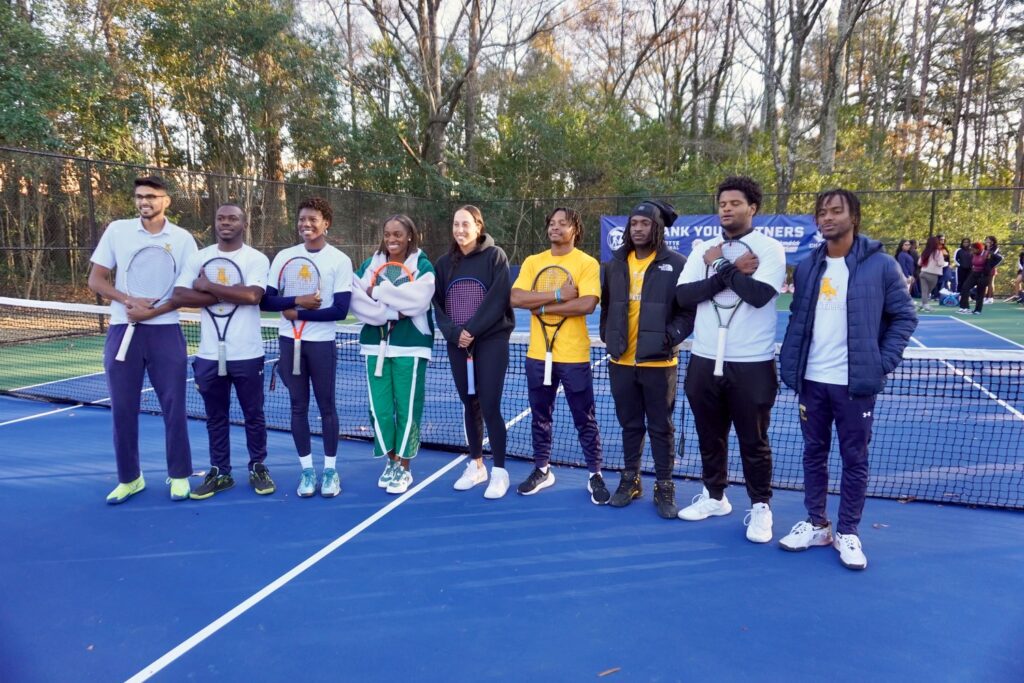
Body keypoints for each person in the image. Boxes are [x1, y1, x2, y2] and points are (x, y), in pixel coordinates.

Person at [779, 188, 917, 570]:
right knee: (813, 454)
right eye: (821, 212)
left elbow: (904, 317)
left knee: (854, 458)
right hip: (813, 381)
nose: (827, 218)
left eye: (835, 211)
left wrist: (880, 362)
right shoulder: (807, 267)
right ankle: (817, 524)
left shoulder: (882, 265)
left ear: (853, 217)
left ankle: (849, 531)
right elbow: (798, 319)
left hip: (855, 385)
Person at [675, 176, 786, 542]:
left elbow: (757, 295)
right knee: (710, 435)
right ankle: (714, 496)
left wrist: (721, 267)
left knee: (753, 441)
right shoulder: (704, 248)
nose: (727, 208)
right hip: (704, 360)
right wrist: (730, 269)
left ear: (752, 208)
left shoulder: (769, 249)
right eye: (722, 203)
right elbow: (685, 296)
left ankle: (760, 508)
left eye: (735, 203)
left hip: (752, 363)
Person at [88, 176, 197, 504]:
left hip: (166, 331)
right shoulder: (117, 230)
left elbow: (186, 289)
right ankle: (129, 478)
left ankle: (179, 475)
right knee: (122, 408)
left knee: (174, 406)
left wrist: (153, 311)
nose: (144, 202)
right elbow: (96, 278)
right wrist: (128, 301)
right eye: (139, 196)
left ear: (166, 201)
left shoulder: (182, 238)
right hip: (123, 330)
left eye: (151, 196)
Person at [171, 204, 275, 498]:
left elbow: (253, 295)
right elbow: (179, 295)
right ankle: (221, 472)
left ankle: (258, 466)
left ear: (244, 223)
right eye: (220, 218)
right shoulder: (199, 257)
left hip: (247, 353)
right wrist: (227, 291)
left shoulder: (255, 258)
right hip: (207, 355)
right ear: (214, 222)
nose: (226, 223)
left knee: (253, 414)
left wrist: (208, 286)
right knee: (215, 416)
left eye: (233, 218)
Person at [601, 200, 692, 518]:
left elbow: (687, 311)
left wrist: (669, 337)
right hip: (621, 362)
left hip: (659, 364)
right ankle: (631, 479)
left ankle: (664, 485)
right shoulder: (614, 264)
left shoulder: (677, 264)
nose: (638, 229)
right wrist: (608, 337)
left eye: (645, 223)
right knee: (629, 425)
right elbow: (607, 306)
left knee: (660, 427)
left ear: (658, 228)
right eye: (634, 223)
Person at [510, 207, 607, 503]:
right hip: (538, 355)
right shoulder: (532, 262)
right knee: (540, 417)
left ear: (574, 229)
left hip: (574, 356)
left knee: (584, 418)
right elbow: (515, 298)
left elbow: (587, 304)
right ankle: (542, 469)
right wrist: (556, 296)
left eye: (562, 224)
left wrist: (538, 307)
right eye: (552, 223)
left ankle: (595, 474)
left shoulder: (586, 263)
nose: (555, 228)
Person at [262, 197, 352, 497]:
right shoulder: (284, 257)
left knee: (327, 407)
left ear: (326, 223)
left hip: (322, 345)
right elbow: (267, 300)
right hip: (289, 343)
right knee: (297, 407)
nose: (306, 224)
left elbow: (340, 310)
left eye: (313, 219)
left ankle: (330, 471)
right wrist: (298, 301)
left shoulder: (339, 260)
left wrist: (299, 314)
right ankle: (306, 471)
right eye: (302, 219)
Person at [433, 206, 516, 498]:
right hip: (459, 345)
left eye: (466, 224)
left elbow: (498, 299)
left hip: (491, 341)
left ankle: (500, 472)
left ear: (478, 226)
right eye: (456, 224)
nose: (460, 230)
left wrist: (473, 330)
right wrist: (456, 334)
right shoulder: (444, 264)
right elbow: (438, 306)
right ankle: (476, 465)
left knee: (489, 404)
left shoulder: (496, 257)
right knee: (470, 404)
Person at [350, 215, 435, 495]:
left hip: (411, 347)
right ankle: (392, 460)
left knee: (408, 409)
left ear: (410, 235)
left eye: (398, 234)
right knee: (380, 410)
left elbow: (417, 302)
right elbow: (357, 300)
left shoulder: (423, 266)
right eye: (387, 234)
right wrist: (388, 309)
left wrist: (378, 292)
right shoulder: (369, 264)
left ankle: (405, 468)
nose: (392, 239)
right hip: (375, 347)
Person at [957, 239, 1001, 315]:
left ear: (978, 249)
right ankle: (965, 307)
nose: (972, 251)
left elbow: (1000, 258)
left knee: (980, 292)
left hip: (983, 275)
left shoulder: (987, 253)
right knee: (965, 287)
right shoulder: (973, 254)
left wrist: (990, 266)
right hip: (974, 273)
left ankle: (978, 310)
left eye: (973, 249)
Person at [916, 236, 946, 313]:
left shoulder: (925, 251)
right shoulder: (938, 252)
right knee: (928, 291)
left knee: (924, 291)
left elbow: (919, 263)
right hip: (933, 274)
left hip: (923, 273)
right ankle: (925, 305)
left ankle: (922, 304)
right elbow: (940, 263)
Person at [982, 235, 1002, 304]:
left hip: (991, 267)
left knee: (990, 282)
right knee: (985, 282)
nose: (987, 241)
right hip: (984, 267)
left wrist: (992, 266)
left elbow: (998, 257)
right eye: (986, 239)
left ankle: (990, 298)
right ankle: (985, 297)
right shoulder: (985, 248)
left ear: (992, 242)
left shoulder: (995, 248)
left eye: (988, 240)